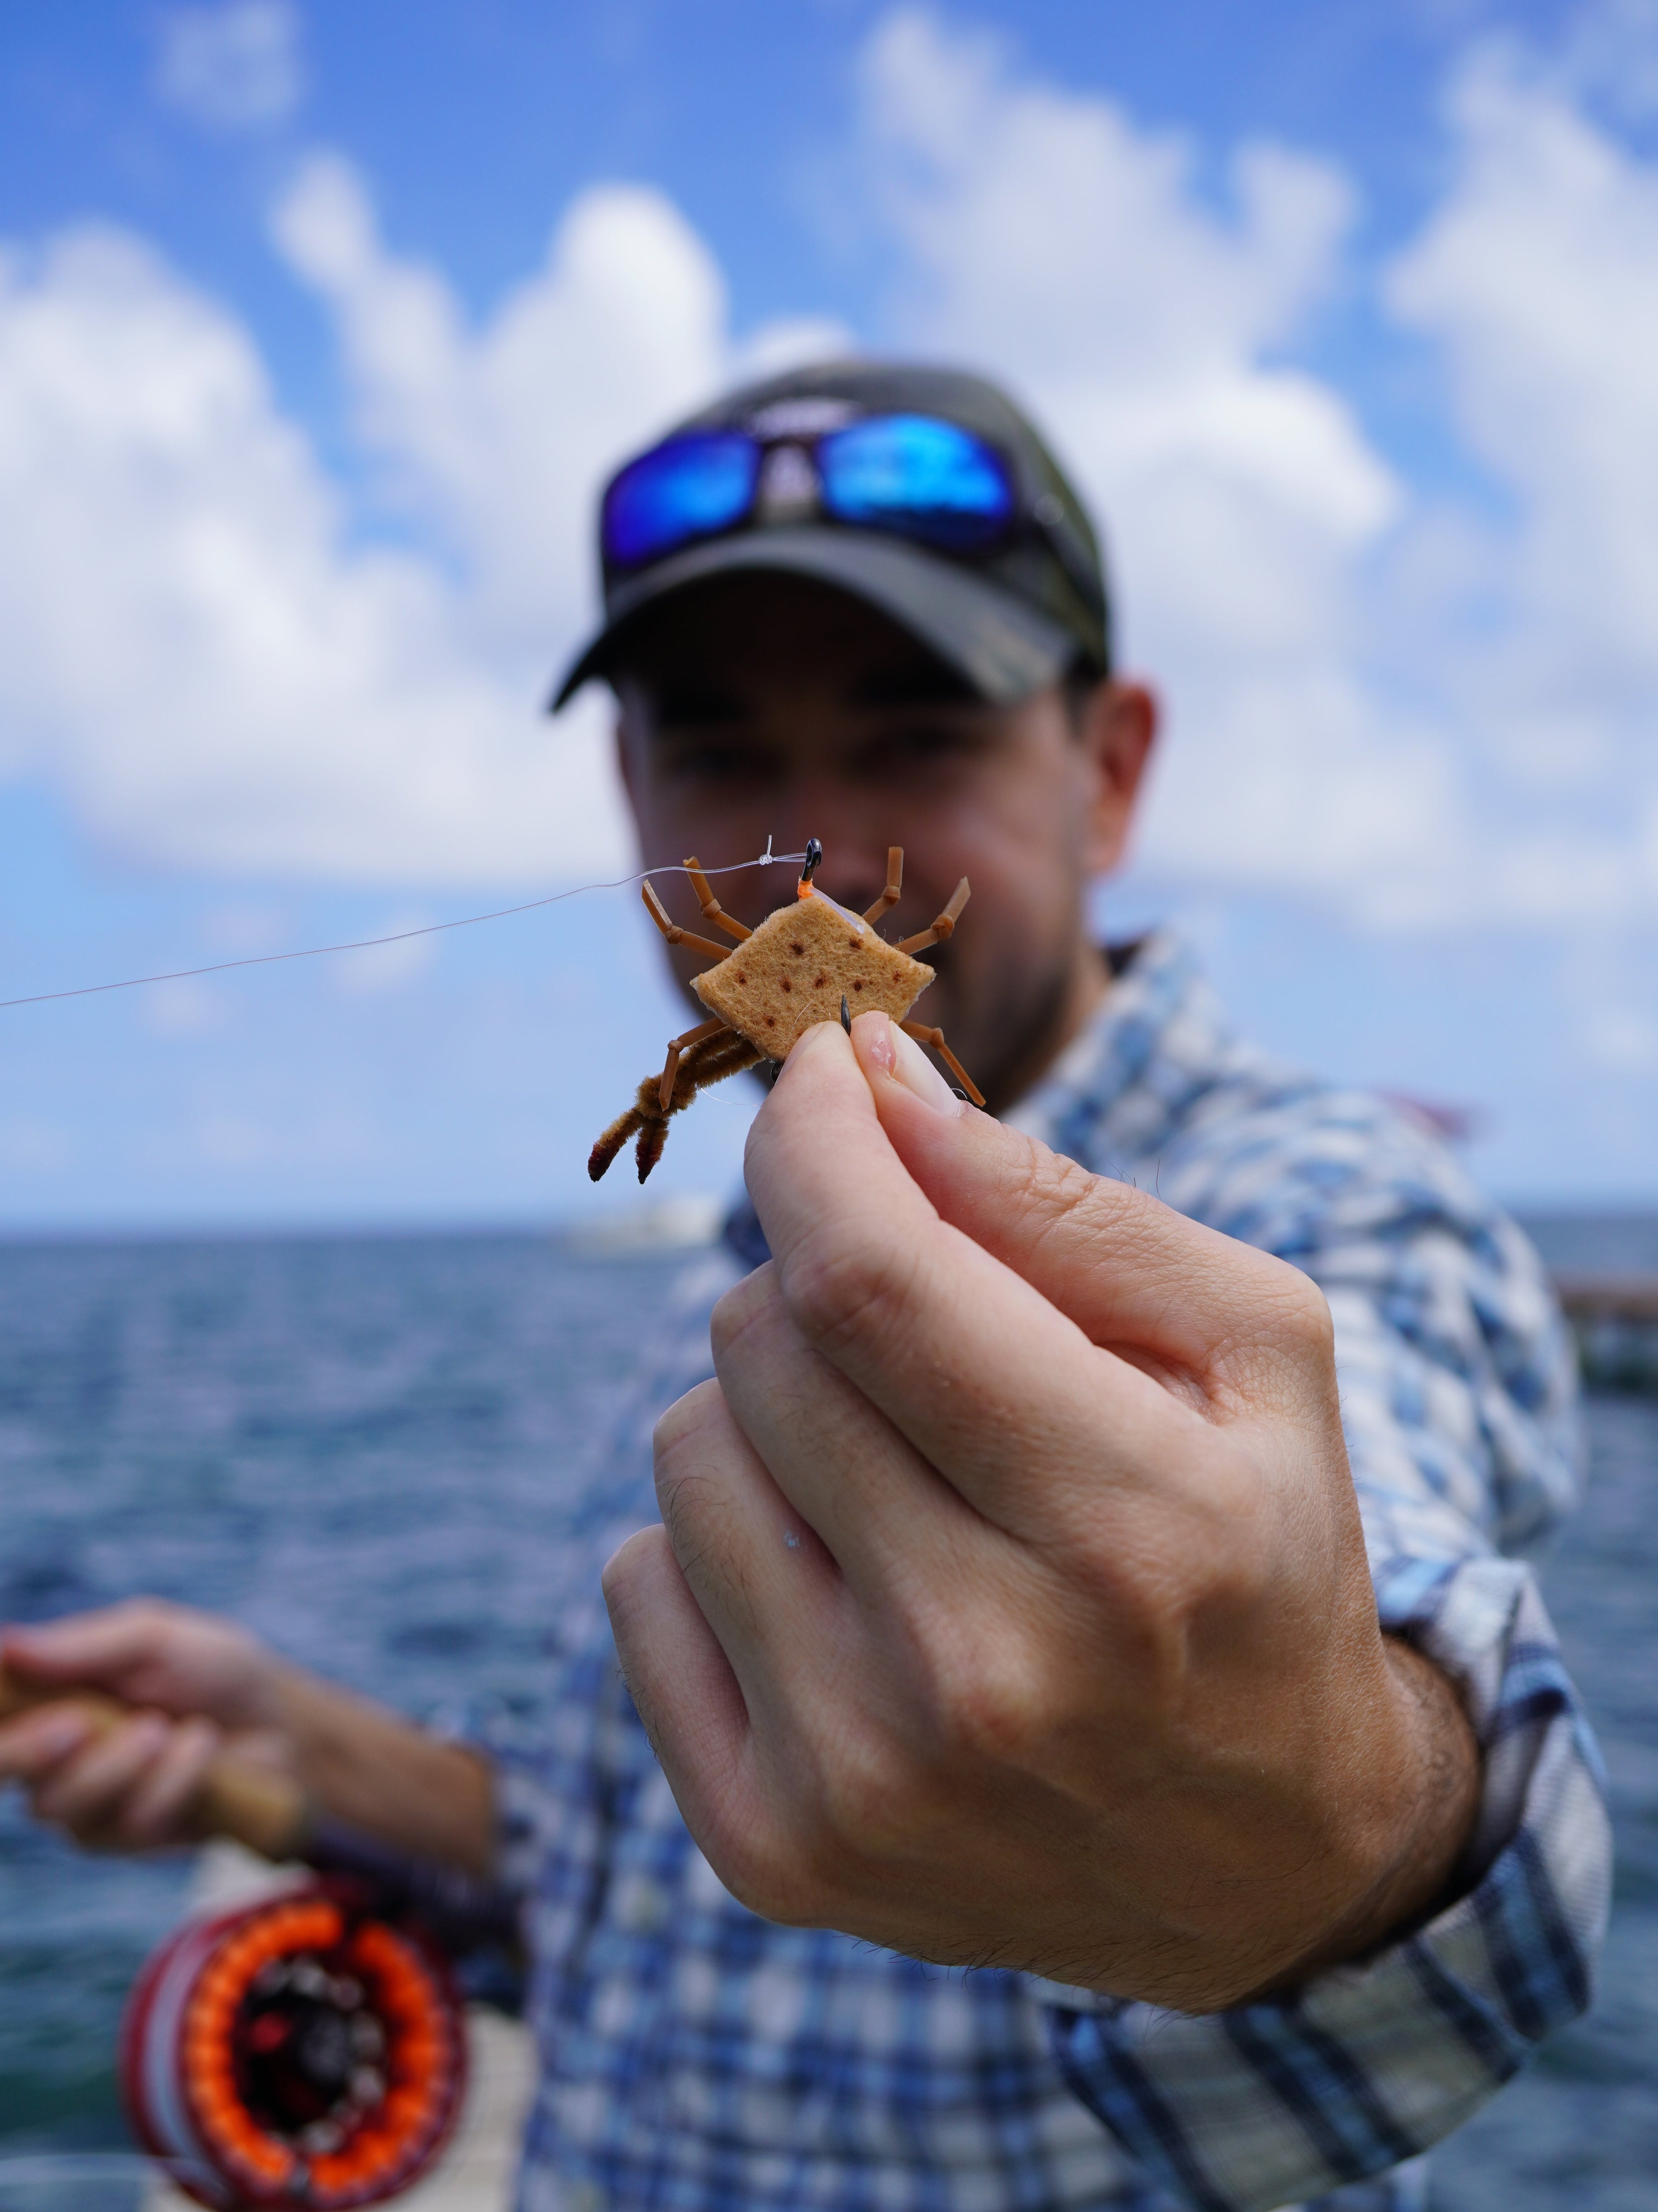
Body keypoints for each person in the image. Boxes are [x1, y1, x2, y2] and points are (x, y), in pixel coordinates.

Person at [0, 362, 1610, 2212]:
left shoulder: (1315, 1214)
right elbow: (639, 1907)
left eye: (918, 733)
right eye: (724, 752)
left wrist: (1334, 1820)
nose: (813, 859)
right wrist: (298, 1747)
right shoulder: (741, 1278)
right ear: (627, 789)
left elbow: (1382, 1581)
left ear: (1110, 766)